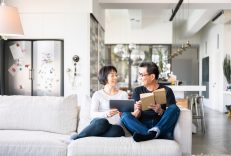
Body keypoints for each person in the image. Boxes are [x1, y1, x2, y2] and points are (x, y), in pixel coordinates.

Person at [121, 62, 180, 142]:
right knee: (125, 115)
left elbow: (171, 114)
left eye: (142, 75)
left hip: (160, 124)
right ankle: (152, 134)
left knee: (174, 108)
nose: (139, 78)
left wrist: (160, 111)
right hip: (142, 125)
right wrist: (138, 110)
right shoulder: (137, 90)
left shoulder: (167, 90)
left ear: (152, 76)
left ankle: (151, 134)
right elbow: (135, 116)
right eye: (139, 74)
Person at [71, 65, 127, 140]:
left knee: (119, 131)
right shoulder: (97, 94)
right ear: (105, 77)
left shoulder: (123, 94)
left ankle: (91, 135)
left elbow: (126, 113)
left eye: (116, 75)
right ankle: (78, 137)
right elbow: (92, 114)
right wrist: (106, 114)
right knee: (103, 122)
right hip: (99, 123)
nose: (116, 77)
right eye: (112, 75)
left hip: (114, 126)